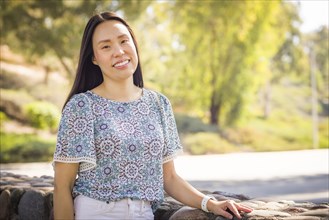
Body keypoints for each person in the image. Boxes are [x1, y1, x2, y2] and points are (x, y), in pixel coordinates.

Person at [53, 11, 253, 220]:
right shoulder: (82, 106)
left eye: (124, 41)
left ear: (134, 45)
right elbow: (62, 185)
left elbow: (170, 178)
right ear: (94, 58)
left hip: (143, 214)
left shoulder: (158, 104)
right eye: (106, 46)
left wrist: (211, 204)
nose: (119, 51)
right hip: (97, 213)